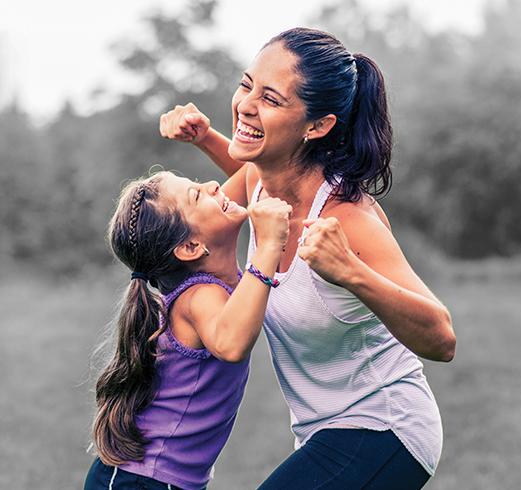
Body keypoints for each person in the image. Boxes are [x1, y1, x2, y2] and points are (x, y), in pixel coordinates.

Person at [159, 27, 456, 489]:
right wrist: (205, 138)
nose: (246, 104)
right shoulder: (260, 184)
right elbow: (230, 198)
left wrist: (352, 273)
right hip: (324, 432)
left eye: (272, 99)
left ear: (317, 126)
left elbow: (442, 338)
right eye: (245, 85)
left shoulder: (347, 221)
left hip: (385, 427)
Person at [84, 171, 292, 490]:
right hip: (143, 482)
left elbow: (253, 170)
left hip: (156, 480)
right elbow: (231, 344)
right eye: (197, 194)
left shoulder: (213, 284)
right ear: (191, 246)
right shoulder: (199, 296)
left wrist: (206, 136)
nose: (213, 185)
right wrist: (269, 246)